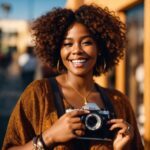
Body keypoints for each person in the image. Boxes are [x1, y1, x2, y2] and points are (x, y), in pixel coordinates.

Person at [2, 4, 144, 150]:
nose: (76, 50)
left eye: (86, 42)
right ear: (58, 50)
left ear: (100, 48)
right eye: (67, 44)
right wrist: (49, 137)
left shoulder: (119, 102)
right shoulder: (38, 94)